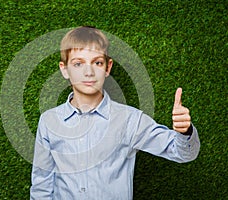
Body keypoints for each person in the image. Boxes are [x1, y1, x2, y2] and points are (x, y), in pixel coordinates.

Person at [30, 26, 200, 200]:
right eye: (78, 64)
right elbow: (41, 185)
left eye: (97, 63)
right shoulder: (49, 121)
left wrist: (184, 132)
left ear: (108, 67)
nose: (88, 72)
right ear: (64, 69)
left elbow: (183, 153)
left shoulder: (130, 120)